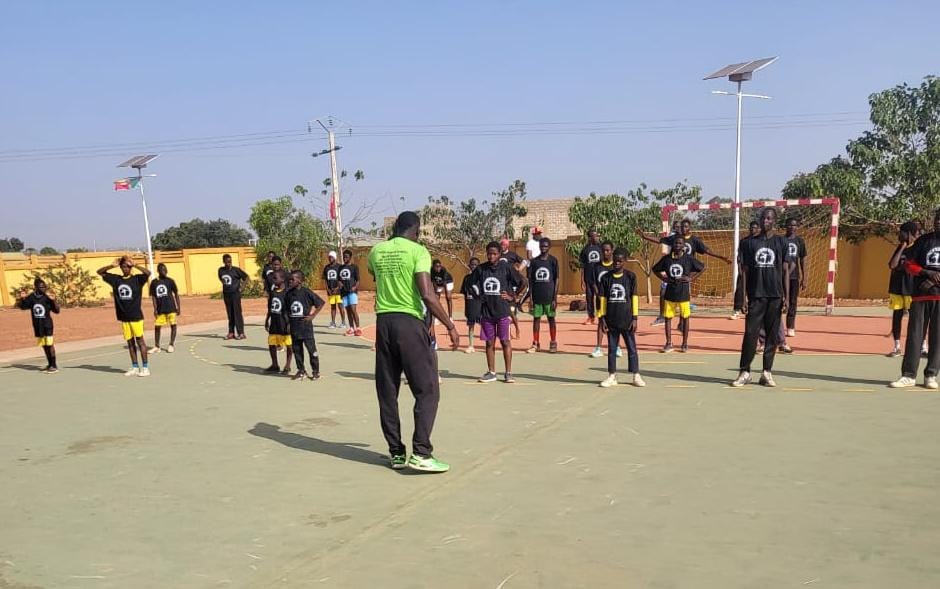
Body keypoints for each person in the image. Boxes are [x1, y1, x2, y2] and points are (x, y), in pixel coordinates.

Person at [368, 211, 459, 473]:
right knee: (427, 389)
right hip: (409, 324)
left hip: (383, 323)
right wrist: (450, 325)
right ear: (416, 231)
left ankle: (396, 452)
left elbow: (375, 274)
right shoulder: (418, 252)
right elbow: (427, 294)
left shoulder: (376, 252)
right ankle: (421, 451)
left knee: (387, 390)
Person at [731, 207, 792, 387]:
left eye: (769, 218)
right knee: (750, 334)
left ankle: (767, 372)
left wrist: (787, 298)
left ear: (774, 221)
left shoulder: (782, 242)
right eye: (763, 218)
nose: (766, 221)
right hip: (756, 296)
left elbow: (786, 271)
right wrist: (743, 297)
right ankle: (745, 371)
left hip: (775, 296)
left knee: (772, 336)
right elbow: (744, 272)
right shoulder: (749, 244)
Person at [638, 219, 731, 325]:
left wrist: (721, 257)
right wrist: (644, 236)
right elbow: (660, 240)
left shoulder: (695, 240)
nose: (683, 228)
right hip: (672, 270)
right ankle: (662, 316)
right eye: (681, 227)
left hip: (686, 271)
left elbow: (707, 251)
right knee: (663, 291)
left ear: (690, 228)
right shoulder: (675, 238)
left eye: (686, 227)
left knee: (684, 298)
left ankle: (682, 322)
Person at [890, 209, 940, 389]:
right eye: (937, 219)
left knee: (937, 337)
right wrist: (926, 273)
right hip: (920, 295)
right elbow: (908, 263)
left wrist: (935, 281)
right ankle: (909, 375)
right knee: (915, 335)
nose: (938, 222)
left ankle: (931, 375)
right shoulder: (923, 241)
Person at [472, 241, 524, 383]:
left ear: (500, 254)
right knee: (489, 343)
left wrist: (513, 296)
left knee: (505, 342)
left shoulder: (507, 268)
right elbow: (471, 284)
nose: (491, 256)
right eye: (489, 253)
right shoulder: (481, 269)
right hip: (487, 313)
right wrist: (478, 297)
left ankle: (508, 373)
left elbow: (522, 282)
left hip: (502, 312)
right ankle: (491, 372)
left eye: (494, 254)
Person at [598, 248, 645, 387]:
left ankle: (636, 374)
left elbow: (634, 297)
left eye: (620, 261)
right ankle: (612, 375)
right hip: (611, 319)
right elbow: (603, 299)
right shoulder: (606, 278)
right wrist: (602, 318)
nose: (617, 263)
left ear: (625, 261)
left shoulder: (631, 277)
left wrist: (635, 317)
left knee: (632, 348)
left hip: (627, 319)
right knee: (612, 349)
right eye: (615, 260)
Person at [98, 256, 152, 377]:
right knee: (130, 343)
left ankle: (145, 367)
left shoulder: (137, 279)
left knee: (140, 342)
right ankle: (134, 366)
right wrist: (112, 265)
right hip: (124, 317)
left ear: (130, 267)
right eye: (123, 266)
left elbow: (148, 273)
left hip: (136, 316)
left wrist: (135, 264)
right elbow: (100, 272)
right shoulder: (116, 280)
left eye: (127, 266)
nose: (125, 268)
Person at [652, 235, 705, 353]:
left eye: (680, 243)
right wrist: (663, 278)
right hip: (670, 293)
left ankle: (685, 343)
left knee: (685, 318)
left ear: (683, 246)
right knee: (668, 318)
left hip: (683, 294)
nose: (677, 245)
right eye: (675, 243)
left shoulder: (688, 259)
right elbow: (655, 269)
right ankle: (668, 343)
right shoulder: (666, 259)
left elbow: (702, 267)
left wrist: (691, 278)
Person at [285, 270, 325, 381]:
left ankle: (316, 372)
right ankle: (301, 371)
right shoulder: (288, 294)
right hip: (294, 327)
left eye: (293, 279)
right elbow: (287, 310)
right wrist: (288, 323)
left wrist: (312, 316)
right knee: (297, 350)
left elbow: (321, 303)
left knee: (311, 350)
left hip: (306, 328)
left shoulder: (306, 292)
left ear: (300, 281)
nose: (290, 281)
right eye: (290, 279)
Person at [15, 278, 60, 373]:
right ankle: (49, 363)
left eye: (45, 287)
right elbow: (23, 307)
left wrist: (53, 300)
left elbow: (57, 311)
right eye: (41, 287)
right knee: (44, 345)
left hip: (47, 324)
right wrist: (22, 298)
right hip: (37, 325)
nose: (44, 289)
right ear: (35, 287)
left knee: (49, 344)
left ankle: (54, 365)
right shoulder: (32, 297)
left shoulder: (47, 297)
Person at [887, 222, 917, 357]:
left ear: (910, 234)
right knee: (897, 317)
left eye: (902, 232)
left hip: (912, 288)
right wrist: (902, 246)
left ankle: (922, 346)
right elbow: (893, 265)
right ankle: (897, 347)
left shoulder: (918, 248)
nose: (900, 234)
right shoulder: (900, 247)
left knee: (916, 318)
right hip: (897, 287)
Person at [527, 237, 560, 353]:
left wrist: (554, 298)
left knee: (551, 319)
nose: (544, 248)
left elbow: (556, 279)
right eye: (542, 246)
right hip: (537, 297)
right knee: (536, 320)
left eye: (546, 246)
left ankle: (553, 342)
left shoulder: (553, 261)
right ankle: (536, 343)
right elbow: (530, 281)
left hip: (549, 296)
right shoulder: (534, 262)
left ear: (549, 247)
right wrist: (530, 297)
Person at [589, 241, 618, 358]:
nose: (605, 253)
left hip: (613, 299)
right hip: (601, 299)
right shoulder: (596, 266)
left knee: (615, 323)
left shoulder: (615, 266)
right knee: (601, 322)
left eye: (607, 250)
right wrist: (598, 294)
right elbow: (593, 282)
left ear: (612, 251)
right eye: (603, 251)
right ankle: (598, 348)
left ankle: (616, 347)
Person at [264, 269, 293, 374]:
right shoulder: (272, 293)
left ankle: (287, 365)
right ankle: (275, 364)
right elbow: (270, 308)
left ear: (282, 279)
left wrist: (290, 323)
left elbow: (290, 309)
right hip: (274, 323)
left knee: (289, 345)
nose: (273, 280)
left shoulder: (287, 293)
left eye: (275, 278)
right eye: (273, 278)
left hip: (284, 323)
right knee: (272, 343)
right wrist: (267, 320)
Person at [783, 218, 808, 336]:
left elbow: (803, 259)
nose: (792, 227)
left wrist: (805, 277)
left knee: (793, 302)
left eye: (794, 225)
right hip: (781, 276)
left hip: (794, 276)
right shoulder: (780, 240)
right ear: (786, 226)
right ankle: (775, 327)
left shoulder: (800, 241)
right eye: (790, 225)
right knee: (778, 301)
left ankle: (790, 326)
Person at [732, 221, 761, 319]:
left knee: (755, 291)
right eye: (751, 227)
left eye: (755, 227)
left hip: (757, 270)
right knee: (740, 289)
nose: (753, 229)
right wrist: (739, 268)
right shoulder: (744, 241)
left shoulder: (761, 241)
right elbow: (739, 256)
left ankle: (755, 310)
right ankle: (736, 310)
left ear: (758, 229)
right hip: (745, 269)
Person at [149, 263, 180, 354]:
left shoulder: (170, 281)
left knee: (173, 325)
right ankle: (157, 346)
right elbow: (154, 296)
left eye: (165, 269)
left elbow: (176, 294)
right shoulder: (154, 282)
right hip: (161, 309)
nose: (164, 271)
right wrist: (155, 309)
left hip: (171, 308)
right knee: (157, 326)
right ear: (158, 271)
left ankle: (171, 344)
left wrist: (178, 307)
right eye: (162, 270)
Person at [218, 254, 249, 340]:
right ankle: (231, 332)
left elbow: (246, 277)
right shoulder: (221, 270)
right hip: (226, 295)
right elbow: (221, 278)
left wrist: (241, 288)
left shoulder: (236, 270)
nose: (229, 263)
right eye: (227, 262)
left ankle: (241, 333)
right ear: (224, 262)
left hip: (235, 295)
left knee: (237, 313)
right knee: (230, 314)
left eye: (230, 262)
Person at [578, 229, 602, 325]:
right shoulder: (585, 250)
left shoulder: (601, 248)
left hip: (599, 278)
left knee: (600, 297)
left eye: (597, 236)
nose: (596, 237)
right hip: (588, 278)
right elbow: (582, 266)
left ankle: (601, 316)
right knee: (589, 298)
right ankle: (590, 317)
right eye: (594, 236)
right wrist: (582, 280)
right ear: (589, 238)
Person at [460, 257, 483, 353]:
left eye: (475, 265)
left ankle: (488, 344)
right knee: (471, 325)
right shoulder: (466, 278)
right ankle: (471, 345)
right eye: (472, 264)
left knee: (484, 325)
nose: (473, 266)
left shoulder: (481, 278)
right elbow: (464, 293)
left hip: (480, 305)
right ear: (469, 266)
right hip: (470, 305)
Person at [322, 251, 347, 329]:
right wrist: (328, 289)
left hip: (339, 291)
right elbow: (325, 280)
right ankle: (333, 322)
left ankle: (343, 322)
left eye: (331, 257)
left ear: (335, 258)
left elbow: (342, 280)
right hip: (331, 291)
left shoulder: (340, 267)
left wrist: (337, 288)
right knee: (333, 307)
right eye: (329, 257)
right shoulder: (326, 268)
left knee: (340, 306)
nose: (330, 258)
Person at [340, 249, 361, 336]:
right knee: (348, 310)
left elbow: (358, 280)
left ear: (350, 258)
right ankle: (351, 328)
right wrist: (340, 283)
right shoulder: (340, 268)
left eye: (347, 257)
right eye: (344, 257)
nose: (345, 259)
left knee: (353, 309)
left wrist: (355, 287)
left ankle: (358, 328)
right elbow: (338, 279)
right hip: (344, 292)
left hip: (352, 292)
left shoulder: (354, 267)